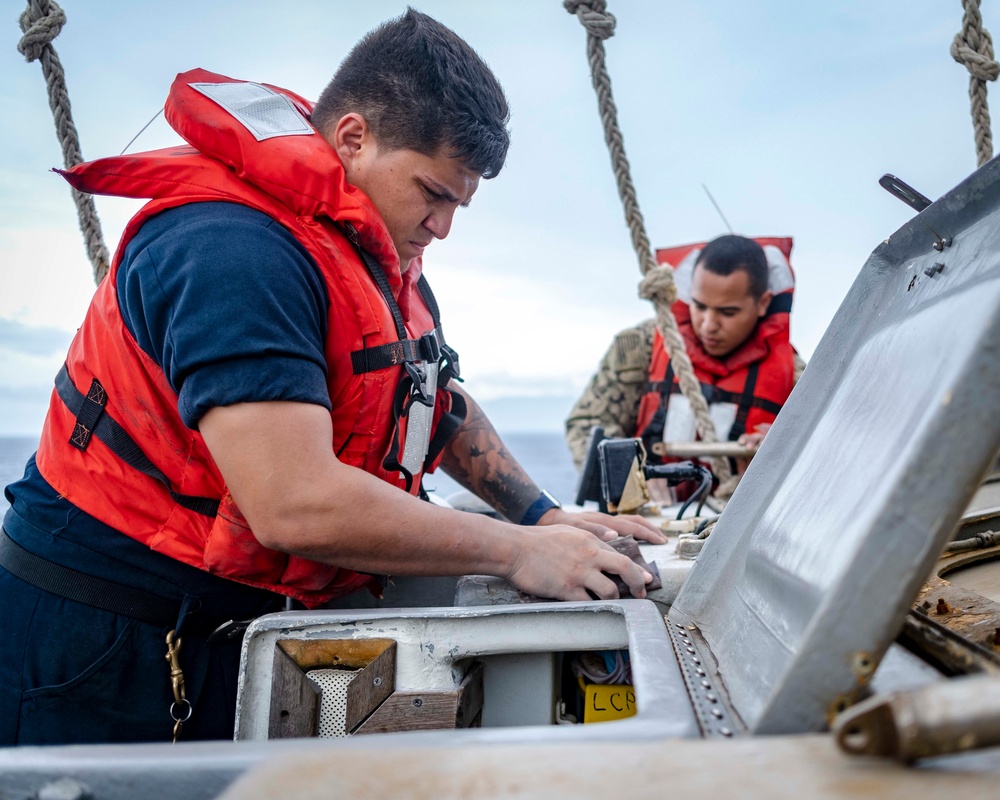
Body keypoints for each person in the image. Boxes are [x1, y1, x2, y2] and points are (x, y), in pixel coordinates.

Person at [0, 10, 664, 746]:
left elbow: (431, 400)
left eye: (459, 204)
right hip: (99, 641)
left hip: (230, 629)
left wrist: (543, 515)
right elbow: (296, 505)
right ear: (353, 136)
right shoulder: (233, 250)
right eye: (433, 193)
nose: (444, 227)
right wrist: (517, 551)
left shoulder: (373, 258)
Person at [566, 234, 801, 483]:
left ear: (763, 303)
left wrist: (779, 449)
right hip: (645, 515)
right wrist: (629, 480)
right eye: (699, 306)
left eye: (728, 312)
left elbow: (817, 454)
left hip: (735, 517)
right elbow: (587, 424)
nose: (709, 325)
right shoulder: (641, 347)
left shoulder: (798, 380)